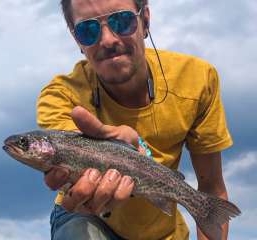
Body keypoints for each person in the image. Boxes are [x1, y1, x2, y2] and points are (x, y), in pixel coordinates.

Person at [36, 0, 233, 239]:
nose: (108, 40)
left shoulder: (197, 80)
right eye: (88, 30)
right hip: (85, 215)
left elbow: (211, 186)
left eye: (122, 21)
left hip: (162, 232)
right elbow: (65, 148)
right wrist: (119, 151)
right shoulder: (59, 96)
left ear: (145, 20)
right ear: (76, 39)